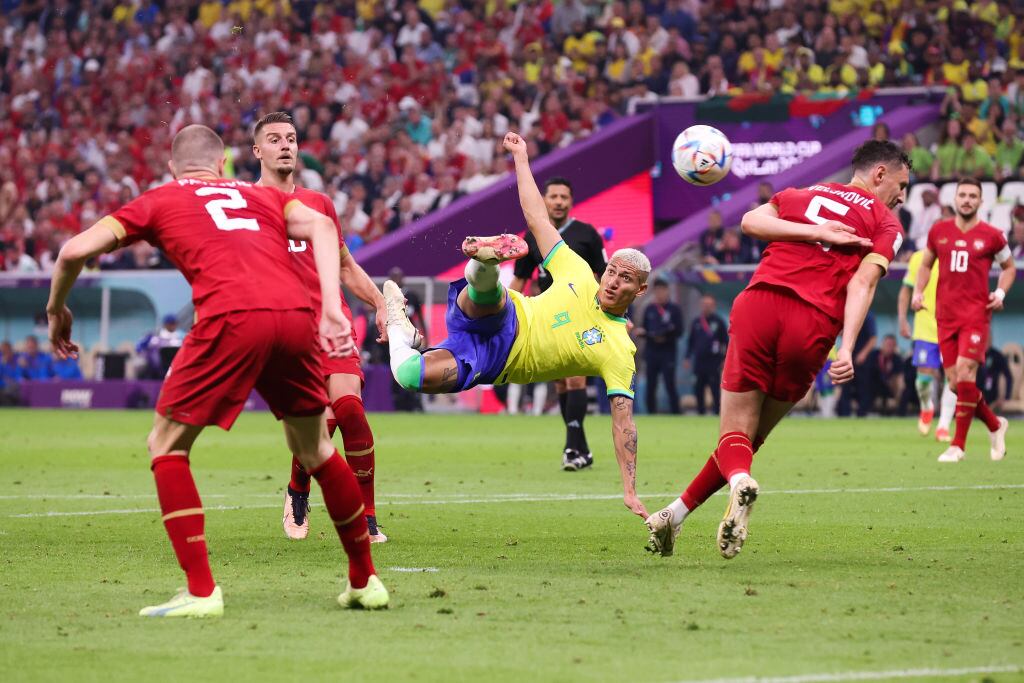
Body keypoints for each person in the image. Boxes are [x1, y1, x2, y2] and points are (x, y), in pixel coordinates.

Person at [45, 125, 388, 617]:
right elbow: (323, 227)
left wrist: (58, 309)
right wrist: (334, 310)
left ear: (171, 168)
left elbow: (72, 251)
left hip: (231, 317)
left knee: (165, 445)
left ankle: (202, 592)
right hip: (296, 318)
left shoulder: (160, 199)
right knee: (315, 447)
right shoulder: (259, 195)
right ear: (224, 162)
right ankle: (365, 580)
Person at [646, 139, 910, 560]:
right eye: (901, 184)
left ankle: (678, 512)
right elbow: (863, 283)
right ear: (880, 174)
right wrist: (847, 348)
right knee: (751, 438)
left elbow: (751, 221)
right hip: (812, 323)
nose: (902, 196)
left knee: (736, 435)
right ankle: (682, 512)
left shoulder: (803, 194)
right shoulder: (887, 225)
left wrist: (813, 229)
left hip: (759, 305)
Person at [385, 132, 649, 519]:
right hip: (511, 316)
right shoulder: (576, 270)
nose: (613, 281)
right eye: (612, 272)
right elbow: (537, 218)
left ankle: (398, 324)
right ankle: (486, 260)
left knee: (408, 374)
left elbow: (623, 422)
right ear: (603, 269)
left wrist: (630, 490)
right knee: (488, 295)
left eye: (625, 279)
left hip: (493, 362)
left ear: (639, 290)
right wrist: (521, 157)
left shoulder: (619, 349)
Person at [252, 111, 390, 544]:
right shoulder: (244, 205)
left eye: (291, 138)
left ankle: (366, 517)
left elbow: (346, 267)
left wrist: (381, 303)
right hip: (287, 334)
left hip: (332, 324)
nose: (286, 145)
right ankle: (298, 488)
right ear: (257, 151)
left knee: (348, 407)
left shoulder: (319, 204)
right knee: (316, 427)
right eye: (274, 139)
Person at [912, 177, 1015, 463]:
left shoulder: (993, 235)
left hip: (975, 316)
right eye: (963, 195)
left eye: (973, 196)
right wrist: (918, 292)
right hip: (945, 317)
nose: (967, 200)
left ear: (982, 202)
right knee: (957, 384)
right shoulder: (938, 231)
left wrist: (1000, 292)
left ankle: (958, 445)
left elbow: (1009, 267)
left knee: (966, 373)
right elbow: (925, 264)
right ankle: (995, 425)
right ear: (955, 199)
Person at [509, 175, 608, 471]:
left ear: (571, 201)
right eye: (553, 197)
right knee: (562, 383)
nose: (559, 202)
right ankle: (582, 448)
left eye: (564, 197)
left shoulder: (587, 234)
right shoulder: (532, 237)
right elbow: (519, 279)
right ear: (544, 200)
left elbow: (604, 277)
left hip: (580, 314)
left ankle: (570, 448)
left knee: (576, 378)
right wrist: (503, 311)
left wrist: (611, 312)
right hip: (548, 316)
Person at [898, 247, 957, 439]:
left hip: (952, 326)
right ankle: (926, 406)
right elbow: (906, 290)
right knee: (923, 379)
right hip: (925, 326)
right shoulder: (918, 258)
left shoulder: (958, 256)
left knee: (953, 377)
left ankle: (943, 426)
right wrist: (902, 320)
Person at [638, 280, 683, 414]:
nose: (660, 294)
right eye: (657, 291)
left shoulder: (674, 309)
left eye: (662, 290)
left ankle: (676, 413)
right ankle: (651, 413)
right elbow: (643, 329)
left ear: (667, 291)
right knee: (651, 384)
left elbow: (679, 330)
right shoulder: (649, 309)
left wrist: (665, 336)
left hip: (668, 352)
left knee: (669, 382)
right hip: (652, 352)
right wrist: (647, 335)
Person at [685, 294, 728, 415]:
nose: (706, 307)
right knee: (698, 388)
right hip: (699, 362)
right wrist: (687, 357)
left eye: (709, 305)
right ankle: (700, 412)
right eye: (704, 305)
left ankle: (717, 412)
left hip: (714, 362)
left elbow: (726, 342)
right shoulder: (696, 322)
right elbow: (691, 342)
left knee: (714, 388)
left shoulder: (719, 322)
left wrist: (725, 359)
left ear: (713, 306)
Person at [861, 334, 904, 413]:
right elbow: (868, 373)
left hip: (890, 386)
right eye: (888, 344)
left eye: (892, 345)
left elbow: (899, 376)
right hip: (873, 385)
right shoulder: (873, 355)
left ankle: (899, 411)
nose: (889, 347)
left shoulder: (897, 359)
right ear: (882, 344)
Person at [978, 345, 1013, 411]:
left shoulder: (997, 356)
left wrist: (1005, 397)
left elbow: (1008, 377)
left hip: (993, 398)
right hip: (978, 397)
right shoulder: (976, 354)